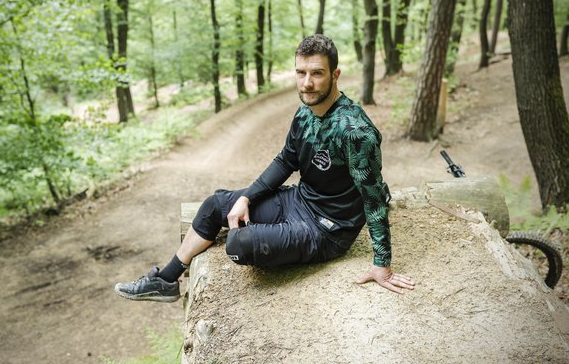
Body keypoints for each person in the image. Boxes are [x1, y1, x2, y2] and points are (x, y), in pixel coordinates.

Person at [115, 34, 415, 302]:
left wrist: (382, 265)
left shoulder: (355, 131)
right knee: (215, 206)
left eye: (317, 74)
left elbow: (374, 200)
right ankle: (165, 280)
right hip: (299, 200)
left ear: (335, 75)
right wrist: (246, 198)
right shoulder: (305, 112)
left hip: (327, 230)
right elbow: (286, 160)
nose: (307, 82)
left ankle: (266, 235)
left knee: (238, 243)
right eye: (301, 73)